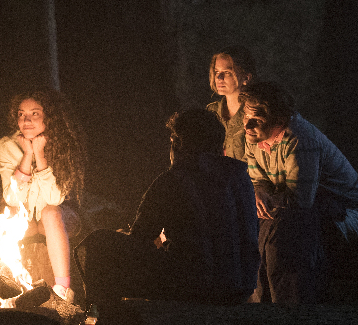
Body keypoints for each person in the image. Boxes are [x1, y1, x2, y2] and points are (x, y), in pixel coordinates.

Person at [79, 109, 259, 306]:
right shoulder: (240, 177)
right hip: (240, 286)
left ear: (178, 143)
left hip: (194, 286)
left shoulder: (174, 180)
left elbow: (142, 239)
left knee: (99, 243)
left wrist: (125, 239)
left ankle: (101, 320)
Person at [241, 82, 358, 304]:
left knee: (283, 226)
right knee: (262, 219)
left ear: (279, 120)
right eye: (245, 116)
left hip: (349, 215)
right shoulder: (254, 137)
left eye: (256, 119)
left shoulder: (299, 140)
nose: (247, 125)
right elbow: (258, 181)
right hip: (301, 206)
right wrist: (258, 192)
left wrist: (267, 199)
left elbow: (301, 200)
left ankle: (289, 307)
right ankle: (262, 302)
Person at [0, 89, 86, 303]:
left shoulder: (62, 143)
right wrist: (27, 156)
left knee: (50, 212)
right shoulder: (7, 145)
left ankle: (62, 290)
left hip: (59, 218)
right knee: (7, 215)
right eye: (21, 114)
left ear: (48, 116)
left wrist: (40, 154)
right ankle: (5, 290)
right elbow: (11, 197)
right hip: (26, 219)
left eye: (34, 113)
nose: (26, 120)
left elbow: (54, 198)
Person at [205, 46, 256, 160]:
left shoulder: (256, 115)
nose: (219, 77)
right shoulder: (211, 112)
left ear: (246, 78)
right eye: (216, 71)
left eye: (227, 72)